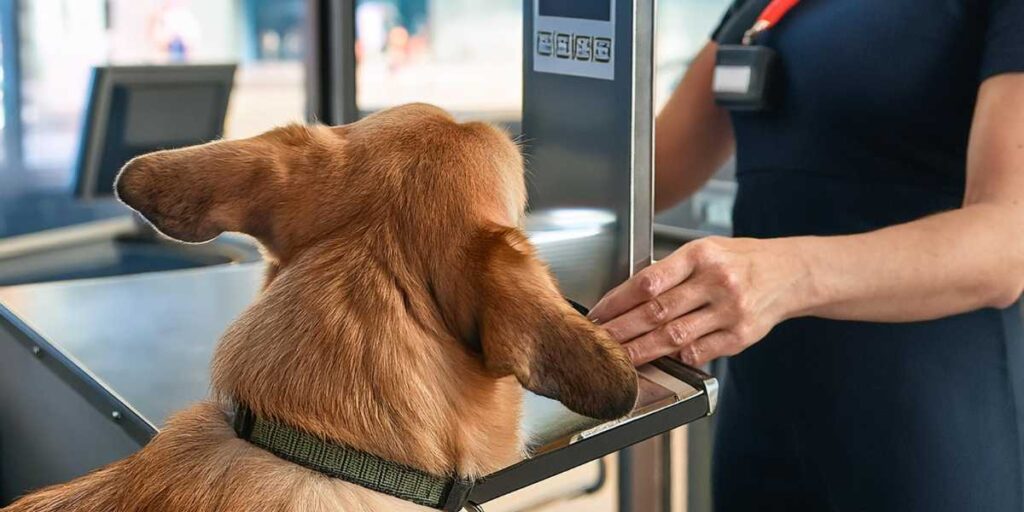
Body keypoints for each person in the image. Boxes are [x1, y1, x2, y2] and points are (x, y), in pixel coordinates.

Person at [587, 0, 1024, 510]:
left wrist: (787, 274)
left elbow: (1006, 242)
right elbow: (647, 173)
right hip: (763, 413)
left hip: (928, 423)